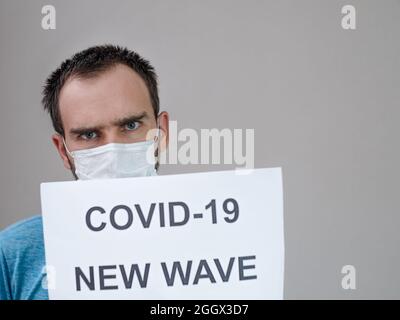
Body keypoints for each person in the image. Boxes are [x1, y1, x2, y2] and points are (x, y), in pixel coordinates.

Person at [0, 45, 169, 299]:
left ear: (161, 132)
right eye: (88, 135)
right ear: (63, 151)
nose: (113, 151)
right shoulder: (13, 255)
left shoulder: (225, 237)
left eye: (130, 125)